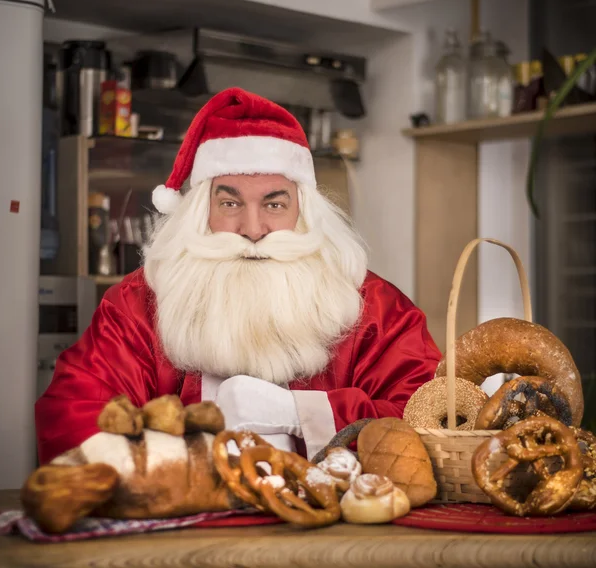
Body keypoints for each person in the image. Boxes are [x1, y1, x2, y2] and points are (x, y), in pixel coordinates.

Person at [35, 87, 441, 464]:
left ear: (304, 210)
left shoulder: (372, 305)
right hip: (185, 529)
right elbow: (72, 417)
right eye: (230, 202)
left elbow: (432, 415)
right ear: (200, 210)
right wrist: (183, 464)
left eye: (274, 204)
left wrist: (302, 415)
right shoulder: (138, 303)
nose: (252, 228)